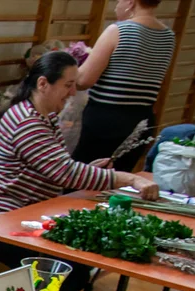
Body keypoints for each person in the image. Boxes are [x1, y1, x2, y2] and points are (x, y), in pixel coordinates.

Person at [0, 52, 158, 291]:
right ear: (43, 84)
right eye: (68, 85)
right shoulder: (27, 122)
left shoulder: (45, 117)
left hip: (17, 212)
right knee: (67, 274)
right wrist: (131, 179)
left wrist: (90, 169)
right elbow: (65, 172)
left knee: (71, 269)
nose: (73, 92)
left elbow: (60, 167)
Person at [75, 0, 175, 172]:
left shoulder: (118, 30)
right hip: (141, 120)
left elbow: (84, 80)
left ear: (130, 2)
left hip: (106, 119)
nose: (116, 6)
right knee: (117, 180)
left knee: (85, 178)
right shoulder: (168, 36)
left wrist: (66, 69)